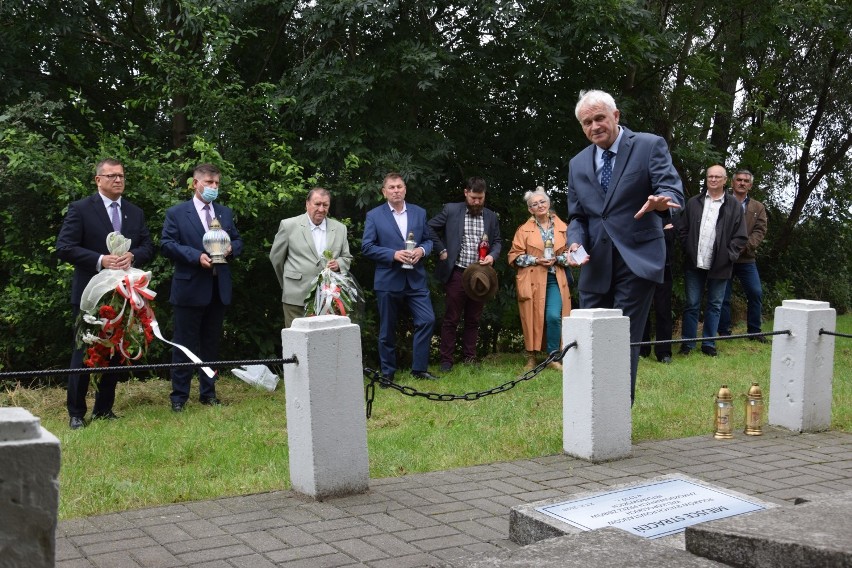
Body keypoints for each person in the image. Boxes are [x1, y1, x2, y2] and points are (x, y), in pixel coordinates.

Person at [566, 89, 684, 402]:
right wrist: (574, 242)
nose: (594, 126)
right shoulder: (577, 164)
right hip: (594, 264)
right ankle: (589, 412)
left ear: (616, 116)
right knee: (590, 339)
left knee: (622, 340)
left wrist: (661, 204)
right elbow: (577, 216)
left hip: (637, 259)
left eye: (600, 117)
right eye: (587, 122)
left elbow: (671, 189)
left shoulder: (648, 145)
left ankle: (616, 416)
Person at [56, 158, 155, 429]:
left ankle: (104, 409)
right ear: (98, 180)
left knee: (114, 351)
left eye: (121, 175)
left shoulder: (134, 212)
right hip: (91, 294)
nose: (118, 180)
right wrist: (101, 259)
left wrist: (134, 255)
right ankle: (76, 413)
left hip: (123, 294)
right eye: (111, 176)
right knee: (84, 351)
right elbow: (64, 246)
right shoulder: (80, 209)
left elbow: (148, 246)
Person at [161, 163, 243, 411]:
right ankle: (179, 397)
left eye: (217, 183)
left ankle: (208, 393)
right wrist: (195, 257)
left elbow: (238, 241)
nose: (213, 187)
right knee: (184, 344)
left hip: (219, 287)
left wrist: (231, 250)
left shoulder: (225, 213)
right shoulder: (177, 213)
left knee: (210, 344)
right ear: (195, 183)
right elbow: (166, 244)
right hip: (190, 288)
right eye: (209, 183)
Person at [361, 172, 437, 381]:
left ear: (405, 189)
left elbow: (430, 241)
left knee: (427, 319)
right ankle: (388, 374)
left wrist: (422, 251)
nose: (396, 190)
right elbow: (367, 247)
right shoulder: (374, 216)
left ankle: (419, 369)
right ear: (384, 192)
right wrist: (393, 254)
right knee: (387, 328)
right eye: (391, 187)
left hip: (415, 278)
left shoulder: (419, 213)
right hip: (388, 279)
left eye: (399, 187)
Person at [427, 177, 502, 372]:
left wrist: (493, 256)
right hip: (457, 273)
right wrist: (441, 250)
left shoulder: (491, 217)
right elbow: (429, 228)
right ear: (466, 193)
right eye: (474, 198)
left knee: (473, 319)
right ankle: (446, 361)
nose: (477, 202)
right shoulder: (451, 210)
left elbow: (498, 241)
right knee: (451, 318)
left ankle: (470, 357)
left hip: (480, 276)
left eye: (481, 198)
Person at [676, 165, 747, 357]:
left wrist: (729, 255)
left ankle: (709, 343)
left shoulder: (734, 205)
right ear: (706, 179)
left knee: (715, 305)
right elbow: (683, 229)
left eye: (717, 177)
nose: (713, 180)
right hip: (695, 262)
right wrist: (688, 248)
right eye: (710, 177)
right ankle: (688, 344)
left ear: (725, 180)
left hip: (721, 264)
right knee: (692, 304)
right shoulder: (694, 202)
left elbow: (740, 237)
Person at [269, 187, 353, 327]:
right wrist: (288, 284)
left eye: (325, 205)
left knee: (324, 342)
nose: (321, 209)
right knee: (296, 343)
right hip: (295, 297)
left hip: (328, 298)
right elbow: (276, 258)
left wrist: (339, 264)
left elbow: (347, 257)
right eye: (317, 204)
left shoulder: (340, 228)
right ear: (307, 204)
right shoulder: (288, 225)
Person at [508, 188, 572, 371]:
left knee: (553, 316)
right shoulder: (523, 230)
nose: (539, 206)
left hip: (555, 279)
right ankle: (531, 357)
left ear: (549, 203)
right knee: (531, 318)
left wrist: (557, 259)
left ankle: (553, 357)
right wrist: (536, 259)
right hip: (531, 280)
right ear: (530, 210)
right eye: (534, 204)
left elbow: (570, 254)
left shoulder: (563, 227)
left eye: (542, 202)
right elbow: (514, 256)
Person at [718, 169, 768, 342]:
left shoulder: (758, 207)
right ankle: (724, 332)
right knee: (723, 296)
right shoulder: (721, 201)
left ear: (750, 185)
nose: (742, 183)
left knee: (755, 293)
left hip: (747, 258)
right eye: (738, 180)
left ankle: (754, 331)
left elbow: (760, 231)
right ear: (732, 183)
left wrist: (745, 246)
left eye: (746, 181)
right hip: (724, 257)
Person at [639, 222, 675, 364]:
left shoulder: (670, 206)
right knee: (642, 309)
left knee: (663, 308)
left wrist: (662, 232)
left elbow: (674, 230)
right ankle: (642, 348)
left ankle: (664, 351)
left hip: (664, 264)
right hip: (642, 264)